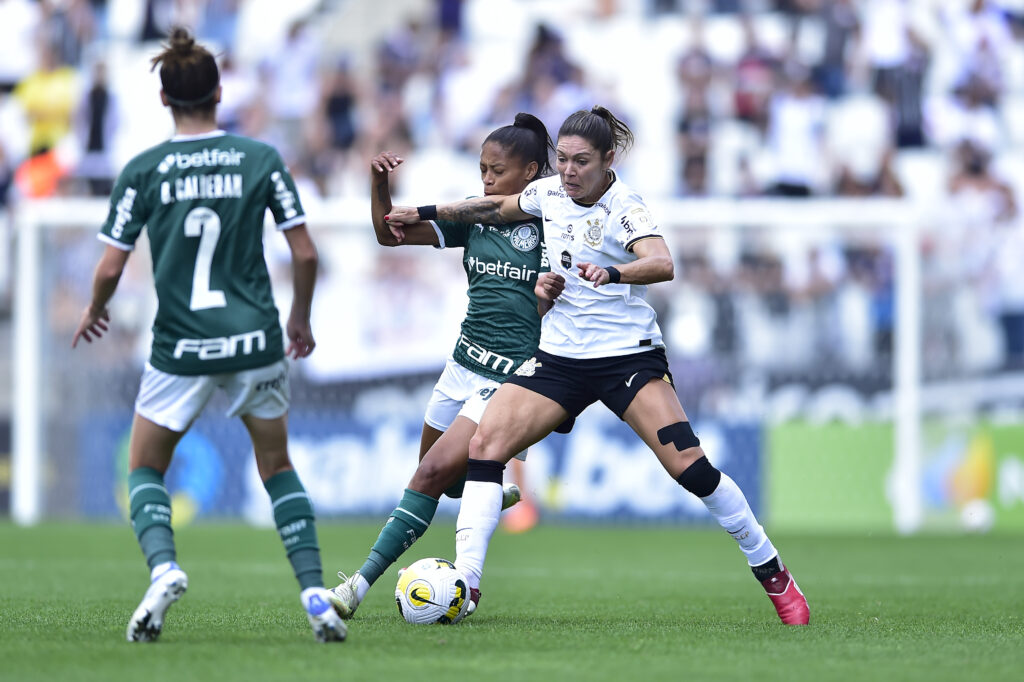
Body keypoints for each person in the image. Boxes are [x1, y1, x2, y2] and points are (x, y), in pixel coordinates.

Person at [383, 105, 811, 625]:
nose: (568, 171)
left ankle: (771, 570)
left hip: (626, 357)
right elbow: (491, 209)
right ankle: (468, 583)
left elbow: (663, 262)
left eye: (580, 161)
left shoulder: (624, 207)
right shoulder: (548, 194)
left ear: (608, 159)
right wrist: (425, 212)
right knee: (484, 445)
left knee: (691, 469)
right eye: (561, 160)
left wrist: (613, 272)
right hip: (559, 359)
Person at [70, 27, 345, 644]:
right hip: (255, 340)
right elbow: (304, 254)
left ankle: (165, 567)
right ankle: (314, 595)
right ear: (220, 93)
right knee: (276, 466)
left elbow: (111, 265)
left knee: (144, 466)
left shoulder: (143, 168)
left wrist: (95, 308)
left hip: (180, 348)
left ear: (164, 98)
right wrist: (299, 318)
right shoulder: (260, 158)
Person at [328, 113, 556, 620]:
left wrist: (549, 298)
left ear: (532, 172)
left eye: (497, 171)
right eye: (482, 170)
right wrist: (378, 185)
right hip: (460, 366)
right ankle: (489, 489)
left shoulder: (555, 225)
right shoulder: (475, 217)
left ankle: (358, 585)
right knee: (441, 478)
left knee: (430, 473)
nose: (487, 180)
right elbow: (389, 236)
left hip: (509, 379)